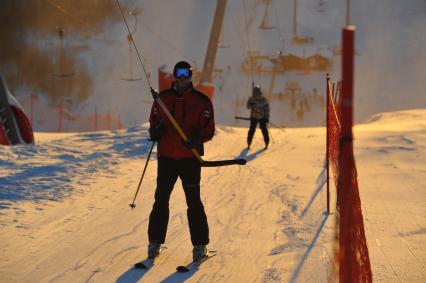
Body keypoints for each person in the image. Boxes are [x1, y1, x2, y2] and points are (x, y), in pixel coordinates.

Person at [147, 61, 215, 261]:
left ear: (191, 76)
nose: (182, 77)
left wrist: (197, 139)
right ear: (174, 76)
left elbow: (209, 129)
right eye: (179, 73)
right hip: (167, 158)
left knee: (193, 202)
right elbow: (153, 123)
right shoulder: (162, 100)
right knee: (161, 200)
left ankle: (200, 246)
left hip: (190, 159)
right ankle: (154, 243)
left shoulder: (202, 101)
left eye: (186, 73)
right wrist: (156, 131)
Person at [246, 85, 270, 149]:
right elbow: (248, 106)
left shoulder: (263, 99)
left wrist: (266, 117)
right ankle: (249, 143)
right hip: (254, 117)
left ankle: (266, 142)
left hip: (261, 117)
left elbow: (266, 109)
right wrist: (251, 104)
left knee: (263, 130)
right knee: (252, 130)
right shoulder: (251, 98)